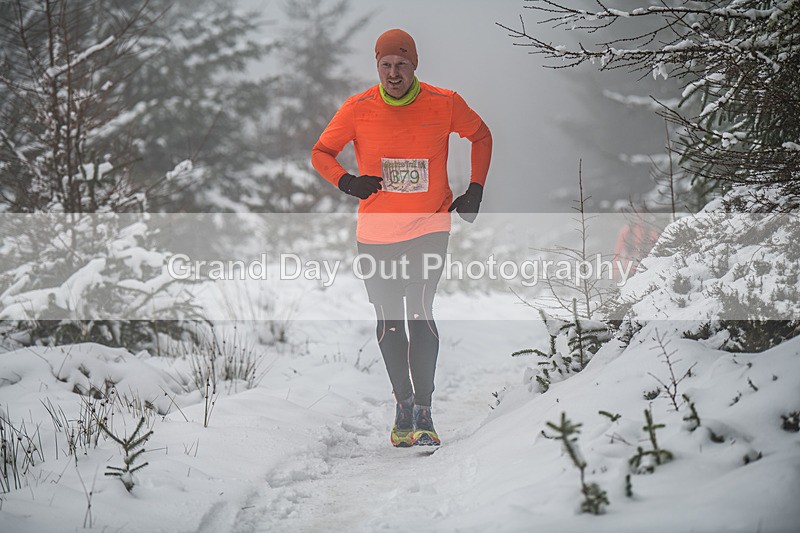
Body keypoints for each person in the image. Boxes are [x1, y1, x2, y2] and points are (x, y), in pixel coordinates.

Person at [311, 29, 492, 447]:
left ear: (415, 66)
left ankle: (425, 411)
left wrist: (476, 189)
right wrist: (348, 181)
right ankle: (403, 406)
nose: (394, 73)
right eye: (386, 65)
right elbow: (320, 152)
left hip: (429, 226)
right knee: (390, 322)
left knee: (420, 312)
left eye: (402, 65)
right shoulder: (358, 109)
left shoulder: (444, 103)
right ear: (377, 67)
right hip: (375, 234)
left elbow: (481, 135)